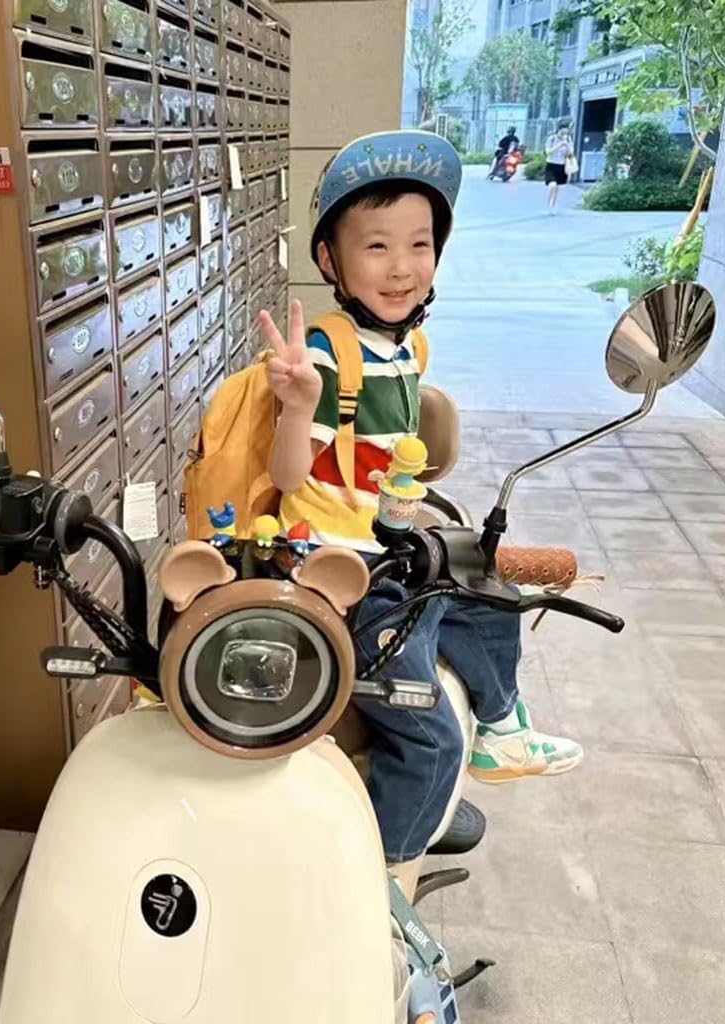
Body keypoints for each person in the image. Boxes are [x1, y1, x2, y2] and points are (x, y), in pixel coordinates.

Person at [257, 130, 583, 887]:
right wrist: (298, 405)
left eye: (419, 243)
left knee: (489, 594)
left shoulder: (407, 346)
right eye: (376, 246)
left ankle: (500, 727)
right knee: (431, 739)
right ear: (331, 260)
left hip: (390, 546)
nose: (401, 266)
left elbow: (404, 454)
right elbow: (287, 473)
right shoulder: (331, 353)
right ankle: (379, 885)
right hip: (338, 568)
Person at [544, 122, 575, 213]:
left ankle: (553, 206)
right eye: (562, 132)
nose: (564, 134)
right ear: (559, 130)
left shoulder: (568, 139)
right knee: (552, 185)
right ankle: (548, 204)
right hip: (551, 164)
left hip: (561, 166)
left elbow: (571, 153)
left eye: (566, 132)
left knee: (557, 187)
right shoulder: (552, 139)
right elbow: (548, 152)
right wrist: (559, 145)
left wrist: (567, 145)